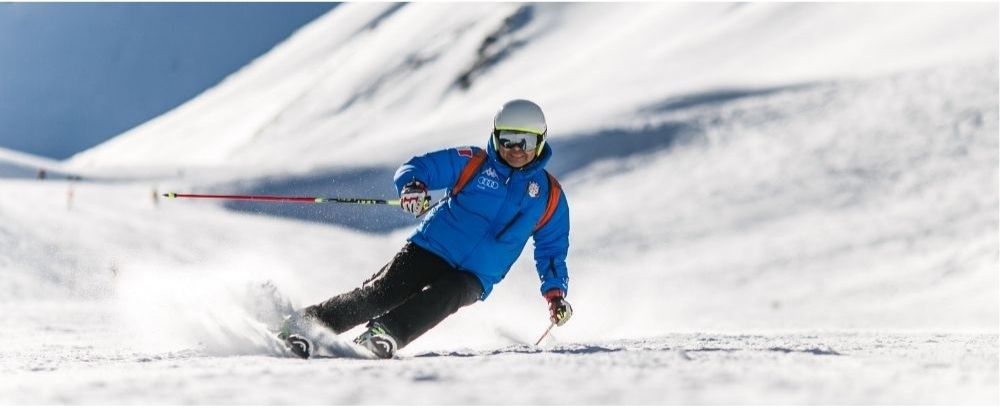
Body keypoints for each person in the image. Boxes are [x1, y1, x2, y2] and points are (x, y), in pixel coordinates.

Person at [278, 99, 572, 359]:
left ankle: (385, 334)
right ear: (496, 137)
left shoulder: (549, 196)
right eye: (508, 140)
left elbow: (551, 250)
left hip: (477, 275)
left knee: (449, 295)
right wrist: (414, 186)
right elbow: (420, 167)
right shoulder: (474, 162)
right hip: (432, 247)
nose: (516, 150)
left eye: (526, 142)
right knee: (380, 294)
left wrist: (556, 295)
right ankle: (304, 325)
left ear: (541, 141)